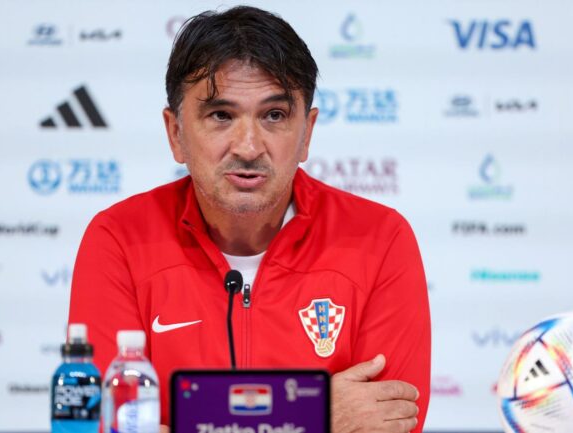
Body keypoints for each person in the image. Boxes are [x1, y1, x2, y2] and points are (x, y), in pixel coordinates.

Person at [68, 6, 430, 432]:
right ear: (175, 133)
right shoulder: (119, 240)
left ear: (307, 132)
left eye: (273, 115)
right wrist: (315, 417)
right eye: (221, 115)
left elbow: (390, 423)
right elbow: (99, 427)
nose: (248, 146)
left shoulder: (379, 240)